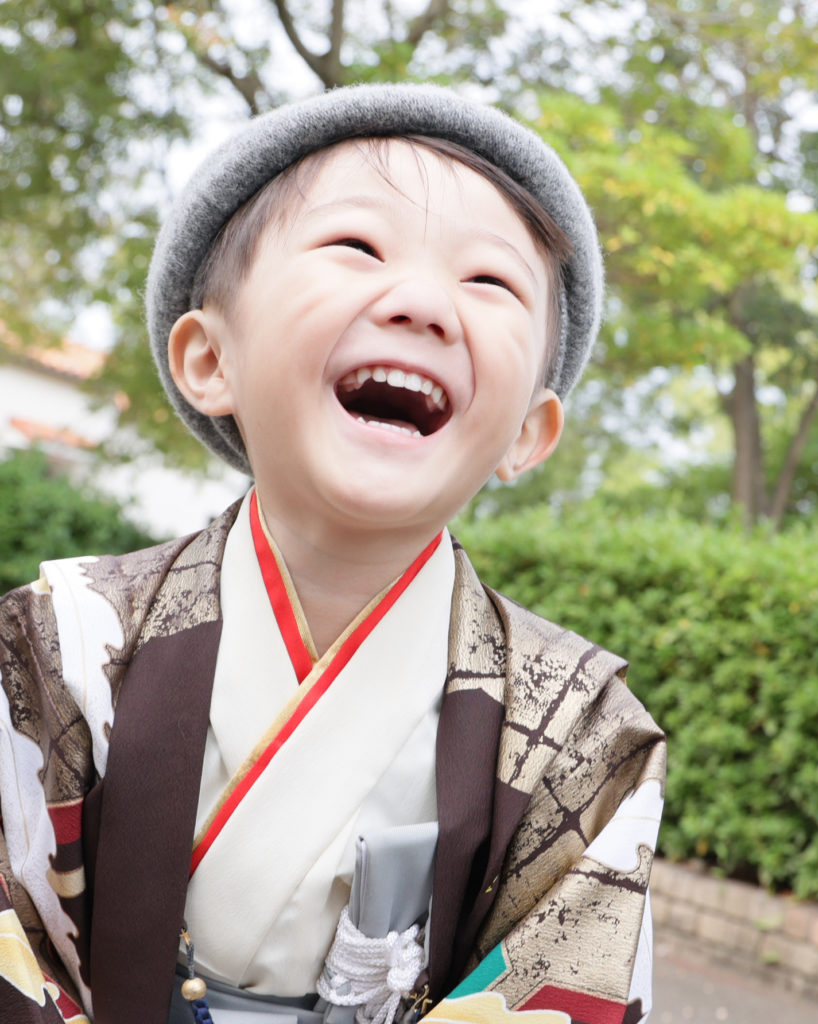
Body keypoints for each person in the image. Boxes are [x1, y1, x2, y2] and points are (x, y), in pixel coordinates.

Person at [0, 83, 665, 1024]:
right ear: (209, 361)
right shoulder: (57, 642)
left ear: (529, 431)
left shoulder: (582, 726)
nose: (427, 304)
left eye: (491, 283)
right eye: (356, 247)